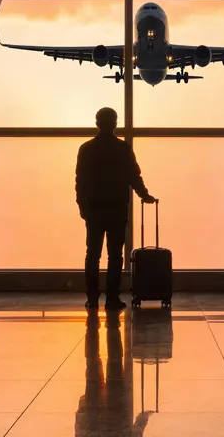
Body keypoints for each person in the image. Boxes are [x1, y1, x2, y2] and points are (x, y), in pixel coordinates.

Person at [76, 107, 156, 311]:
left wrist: (82, 205)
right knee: (115, 254)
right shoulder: (122, 149)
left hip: (94, 208)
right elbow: (133, 175)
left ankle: (92, 298)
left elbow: (80, 181)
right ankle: (112, 298)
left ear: (97, 123)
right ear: (115, 123)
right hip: (117, 208)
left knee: (92, 254)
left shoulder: (86, 149)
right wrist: (144, 195)